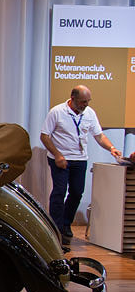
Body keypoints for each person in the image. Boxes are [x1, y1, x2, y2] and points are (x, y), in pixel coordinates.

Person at [40, 85, 122, 245]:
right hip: (60, 159)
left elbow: (99, 136)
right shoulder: (57, 112)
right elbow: (44, 136)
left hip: (80, 159)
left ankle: (66, 223)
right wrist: (57, 155)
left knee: (77, 192)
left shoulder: (89, 114)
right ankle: (56, 229)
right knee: (59, 191)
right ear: (73, 99)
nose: (86, 105)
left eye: (88, 101)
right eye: (83, 102)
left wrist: (112, 148)